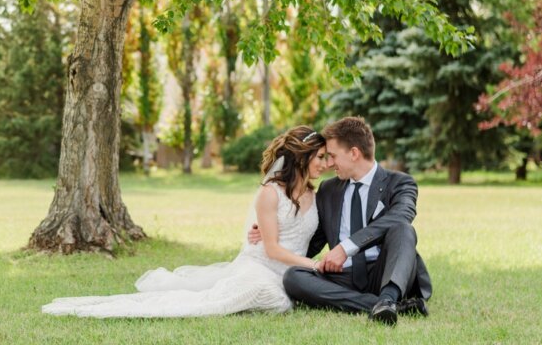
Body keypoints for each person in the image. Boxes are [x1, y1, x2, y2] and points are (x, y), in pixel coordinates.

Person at [42, 126, 329, 318]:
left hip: (292, 273)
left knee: (282, 300)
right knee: (251, 300)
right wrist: (314, 265)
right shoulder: (269, 194)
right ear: (301, 158)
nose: (324, 164)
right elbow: (272, 249)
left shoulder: (315, 196)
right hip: (262, 266)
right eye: (319, 157)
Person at [248, 116, 432, 324]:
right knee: (293, 277)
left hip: (384, 271)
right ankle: (386, 305)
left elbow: (402, 215)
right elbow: (312, 238)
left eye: (332, 156)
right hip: (342, 276)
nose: (328, 164)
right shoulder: (328, 190)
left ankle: (388, 297)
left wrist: (346, 248)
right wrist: (273, 231)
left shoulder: (399, 183)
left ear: (354, 153)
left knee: (403, 229)